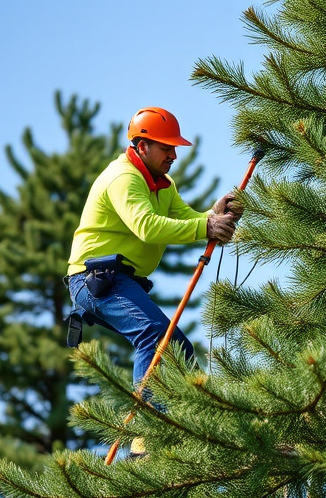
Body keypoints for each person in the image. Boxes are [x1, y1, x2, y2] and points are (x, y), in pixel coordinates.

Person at [65, 107, 240, 456]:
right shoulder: (123, 178)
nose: (174, 155)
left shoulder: (163, 183)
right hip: (94, 280)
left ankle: (181, 428)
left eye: (175, 148)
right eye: (166, 147)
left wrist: (212, 214)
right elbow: (147, 226)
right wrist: (205, 227)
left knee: (177, 346)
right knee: (156, 336)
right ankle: (146, 440)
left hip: (116, 281)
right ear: (142, 145)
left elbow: (187, 218)